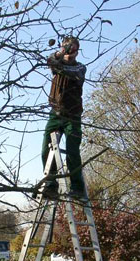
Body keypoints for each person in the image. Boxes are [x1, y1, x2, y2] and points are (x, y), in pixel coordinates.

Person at [41, 36, 87, 200]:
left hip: (73, 116)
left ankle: (77, 187)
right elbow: (51, 61)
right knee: (46, 149)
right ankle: (51, 184)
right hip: (56, 113)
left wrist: (63, 58)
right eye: (67, 48)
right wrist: (60, 53)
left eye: (73, 49)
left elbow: (69, 72)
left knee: (72, 151)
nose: (69, 52)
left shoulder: (80, 68)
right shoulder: (56, 64)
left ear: (77, 51)